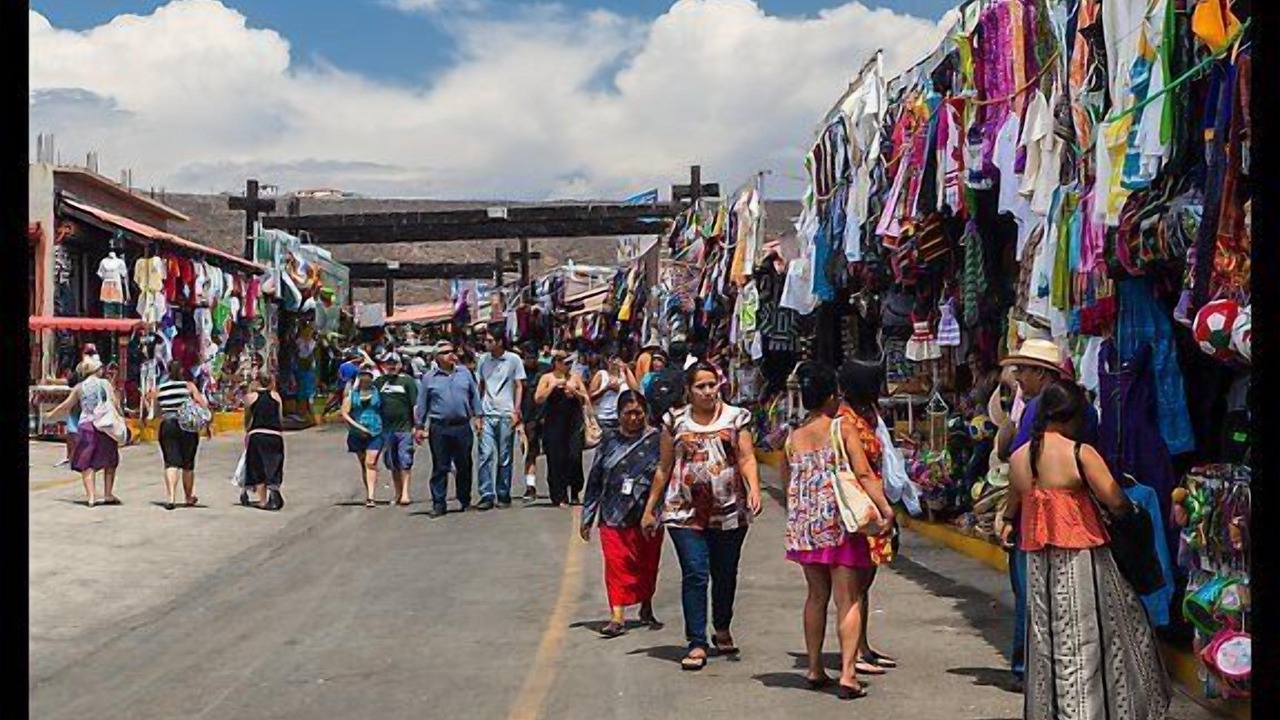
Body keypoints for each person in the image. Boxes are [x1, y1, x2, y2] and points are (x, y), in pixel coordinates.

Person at [1000, 379, 1171, 719]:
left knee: (1046, 640)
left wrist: (1006, 520)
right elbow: (1117, 501)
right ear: (1074, 416)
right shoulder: (1080, 453)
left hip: (1037, 560)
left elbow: (1014, 500)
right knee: (1085, 641)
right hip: (1081, 558)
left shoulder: (1021, 457)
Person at [641, 360, 763, 671]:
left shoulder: (737, 418)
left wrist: (754, 489)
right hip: (684, 512)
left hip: (729, 510)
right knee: (695, 572)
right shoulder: (674, 421)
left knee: (725, 572)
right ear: (689, 390)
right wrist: (650, 508)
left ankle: (721, 626)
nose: (708, 391)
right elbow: (664, 467)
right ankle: (696, 641)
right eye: (701, 386)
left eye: (712, 385)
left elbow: (746, 457)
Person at [783, 362, 894, 698]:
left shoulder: (793, 438)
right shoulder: (841, 428)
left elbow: (788, 484)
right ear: (831, 397)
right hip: (840, 523)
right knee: (848, 598)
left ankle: (815, 667)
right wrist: (885, 510)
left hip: (806, 525)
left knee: (816, 596)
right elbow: (863, 474)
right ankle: (848, 673)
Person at [996, 337, 1099, 687]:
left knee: (1031, 595)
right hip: (1074, 522)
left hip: (1037, 520)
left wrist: (1009, 516)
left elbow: (1018, 467)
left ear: (1042, 373)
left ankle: (1029, 668)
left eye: (1022, 369)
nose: (1016, 375)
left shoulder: (1038, 409)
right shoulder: (1078, 408)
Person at [580, 390, 664, 637]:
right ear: (618, 415)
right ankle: (617, 616)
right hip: (612, 514)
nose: (634, 418)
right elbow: (595, 478)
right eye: (628, 413)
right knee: (616, 564)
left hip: (648, 514)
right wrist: (587, 516)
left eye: (639, 412)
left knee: (647, 564)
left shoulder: (657, 440)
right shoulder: (608, 441)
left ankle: (646, 604)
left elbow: (666, 474)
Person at [836, 360, 900, 676]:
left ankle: (863, 646)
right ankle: (855, 652)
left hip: (872, 501)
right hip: (858, 506)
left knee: (866, 581)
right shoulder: (845, 419)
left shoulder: (867, 413)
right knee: (856, 583)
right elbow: (859, 469)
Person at [414, 340, 482, 517]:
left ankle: (464, 499)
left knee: (464, 464)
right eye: (445, 352)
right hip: (439, 427)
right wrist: (419, 426)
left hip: (462, 425)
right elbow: (422, 403)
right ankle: (439, 503)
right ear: (437, 357)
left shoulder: (465, 373)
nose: (450, 354)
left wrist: (478, 416)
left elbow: (474, 395)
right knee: (440, 466)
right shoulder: (429, 377)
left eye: (452, 351)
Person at [48, 355, 122, 507]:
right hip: (105, 426)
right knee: (110, 460)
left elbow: (66, 405)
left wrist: (51, 414)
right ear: (97, 370)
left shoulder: (79, 387)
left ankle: (91, 497)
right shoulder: (105, 384)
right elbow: (115, 403)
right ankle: (108, 494)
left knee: (87, 462)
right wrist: (120, 417)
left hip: (87, 425)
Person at [149, 361, 209, 510]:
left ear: (168, 372)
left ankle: (171, 497)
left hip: (168, 425)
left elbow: (156, 411)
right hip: (187, 426)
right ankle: (188, 497)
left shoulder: (160, 389)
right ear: (181, 371)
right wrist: (207, 425)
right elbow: (202, 404)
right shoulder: (189, 386)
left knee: (171, 462)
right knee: (188, 463)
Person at [476, 331, 526, 509]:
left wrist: (516, 411)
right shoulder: (483, 360)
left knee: (504, 456)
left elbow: (519, 385)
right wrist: (477, 414)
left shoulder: (513, 360)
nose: (486, 343)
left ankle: (503, 493)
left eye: (490, 341)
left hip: (506, 413)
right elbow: (480, 385)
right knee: (485, 455)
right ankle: (486, 494)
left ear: (499, 342)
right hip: (487, 413)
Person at [534, 350, 590, 507]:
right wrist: (552, 387)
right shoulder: (547, 378)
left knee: (574, 457)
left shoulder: (575, 378)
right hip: (554, 423)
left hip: (573, 422)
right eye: (565, 363)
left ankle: (575, 490)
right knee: (556, 459)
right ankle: (559, 494)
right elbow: (538, 398)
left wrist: (575, 392)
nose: (567, 366)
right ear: (556, 363)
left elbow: (585, 398)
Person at [375, 353, 419, 506]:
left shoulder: (407, 381)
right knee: (391, 461)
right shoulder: (379, 382)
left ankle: (406, 492)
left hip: (404, 428)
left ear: (400, 365)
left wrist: (417, 426)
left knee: (405, 459)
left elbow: (414, 405)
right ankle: (398, 492)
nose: (391, 366)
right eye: (388, 363)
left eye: (394, 363)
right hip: (386, 429)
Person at [341, 364, 384, 507]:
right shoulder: (352, 395)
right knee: (363, 464)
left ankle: (371, 496)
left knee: (370, 463)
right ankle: (368, 492)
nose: (366, 379)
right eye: (363, 376)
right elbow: (345, 413)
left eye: (368, 377)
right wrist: (358, 427)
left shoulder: (378, 393)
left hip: (375, 431)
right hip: (356, 433)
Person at [242, 372, 285, 510]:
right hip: (275, 435)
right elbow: (280, 418)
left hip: (258, 434)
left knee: (257, 467)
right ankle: (273, 489)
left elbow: (248, 419)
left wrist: (248, 431)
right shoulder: (276, 397)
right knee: (274, 464)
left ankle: (262, 500)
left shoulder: (251, 397)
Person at [518, 343, 547, 503]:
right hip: (528, 419)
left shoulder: (546, 369)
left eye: (533, 357)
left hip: (547, 417)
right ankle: (530, 487)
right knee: (530, 454)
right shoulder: (519, 372)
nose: (531, 360)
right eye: (528, 357)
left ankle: (557, 486)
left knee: (553, 452)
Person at [589, 352, 640, 431]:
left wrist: (626, 369)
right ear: (607, 361)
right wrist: (606, 389)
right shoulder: (601, 374)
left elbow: (636, 390)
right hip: (603, 418)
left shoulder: (624, 377)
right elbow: (590, 397)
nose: (614, 362)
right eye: (612, 359)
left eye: (617, 360)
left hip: (621, 418)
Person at [324, 349, 361, 418]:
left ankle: (326, 410)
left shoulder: (343, 365)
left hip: (340, 384)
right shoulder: (356, 367)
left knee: (335, 399)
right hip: (347, 386)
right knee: (343, 401)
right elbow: (353, 379)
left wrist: (342, 379)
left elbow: (339, 374)